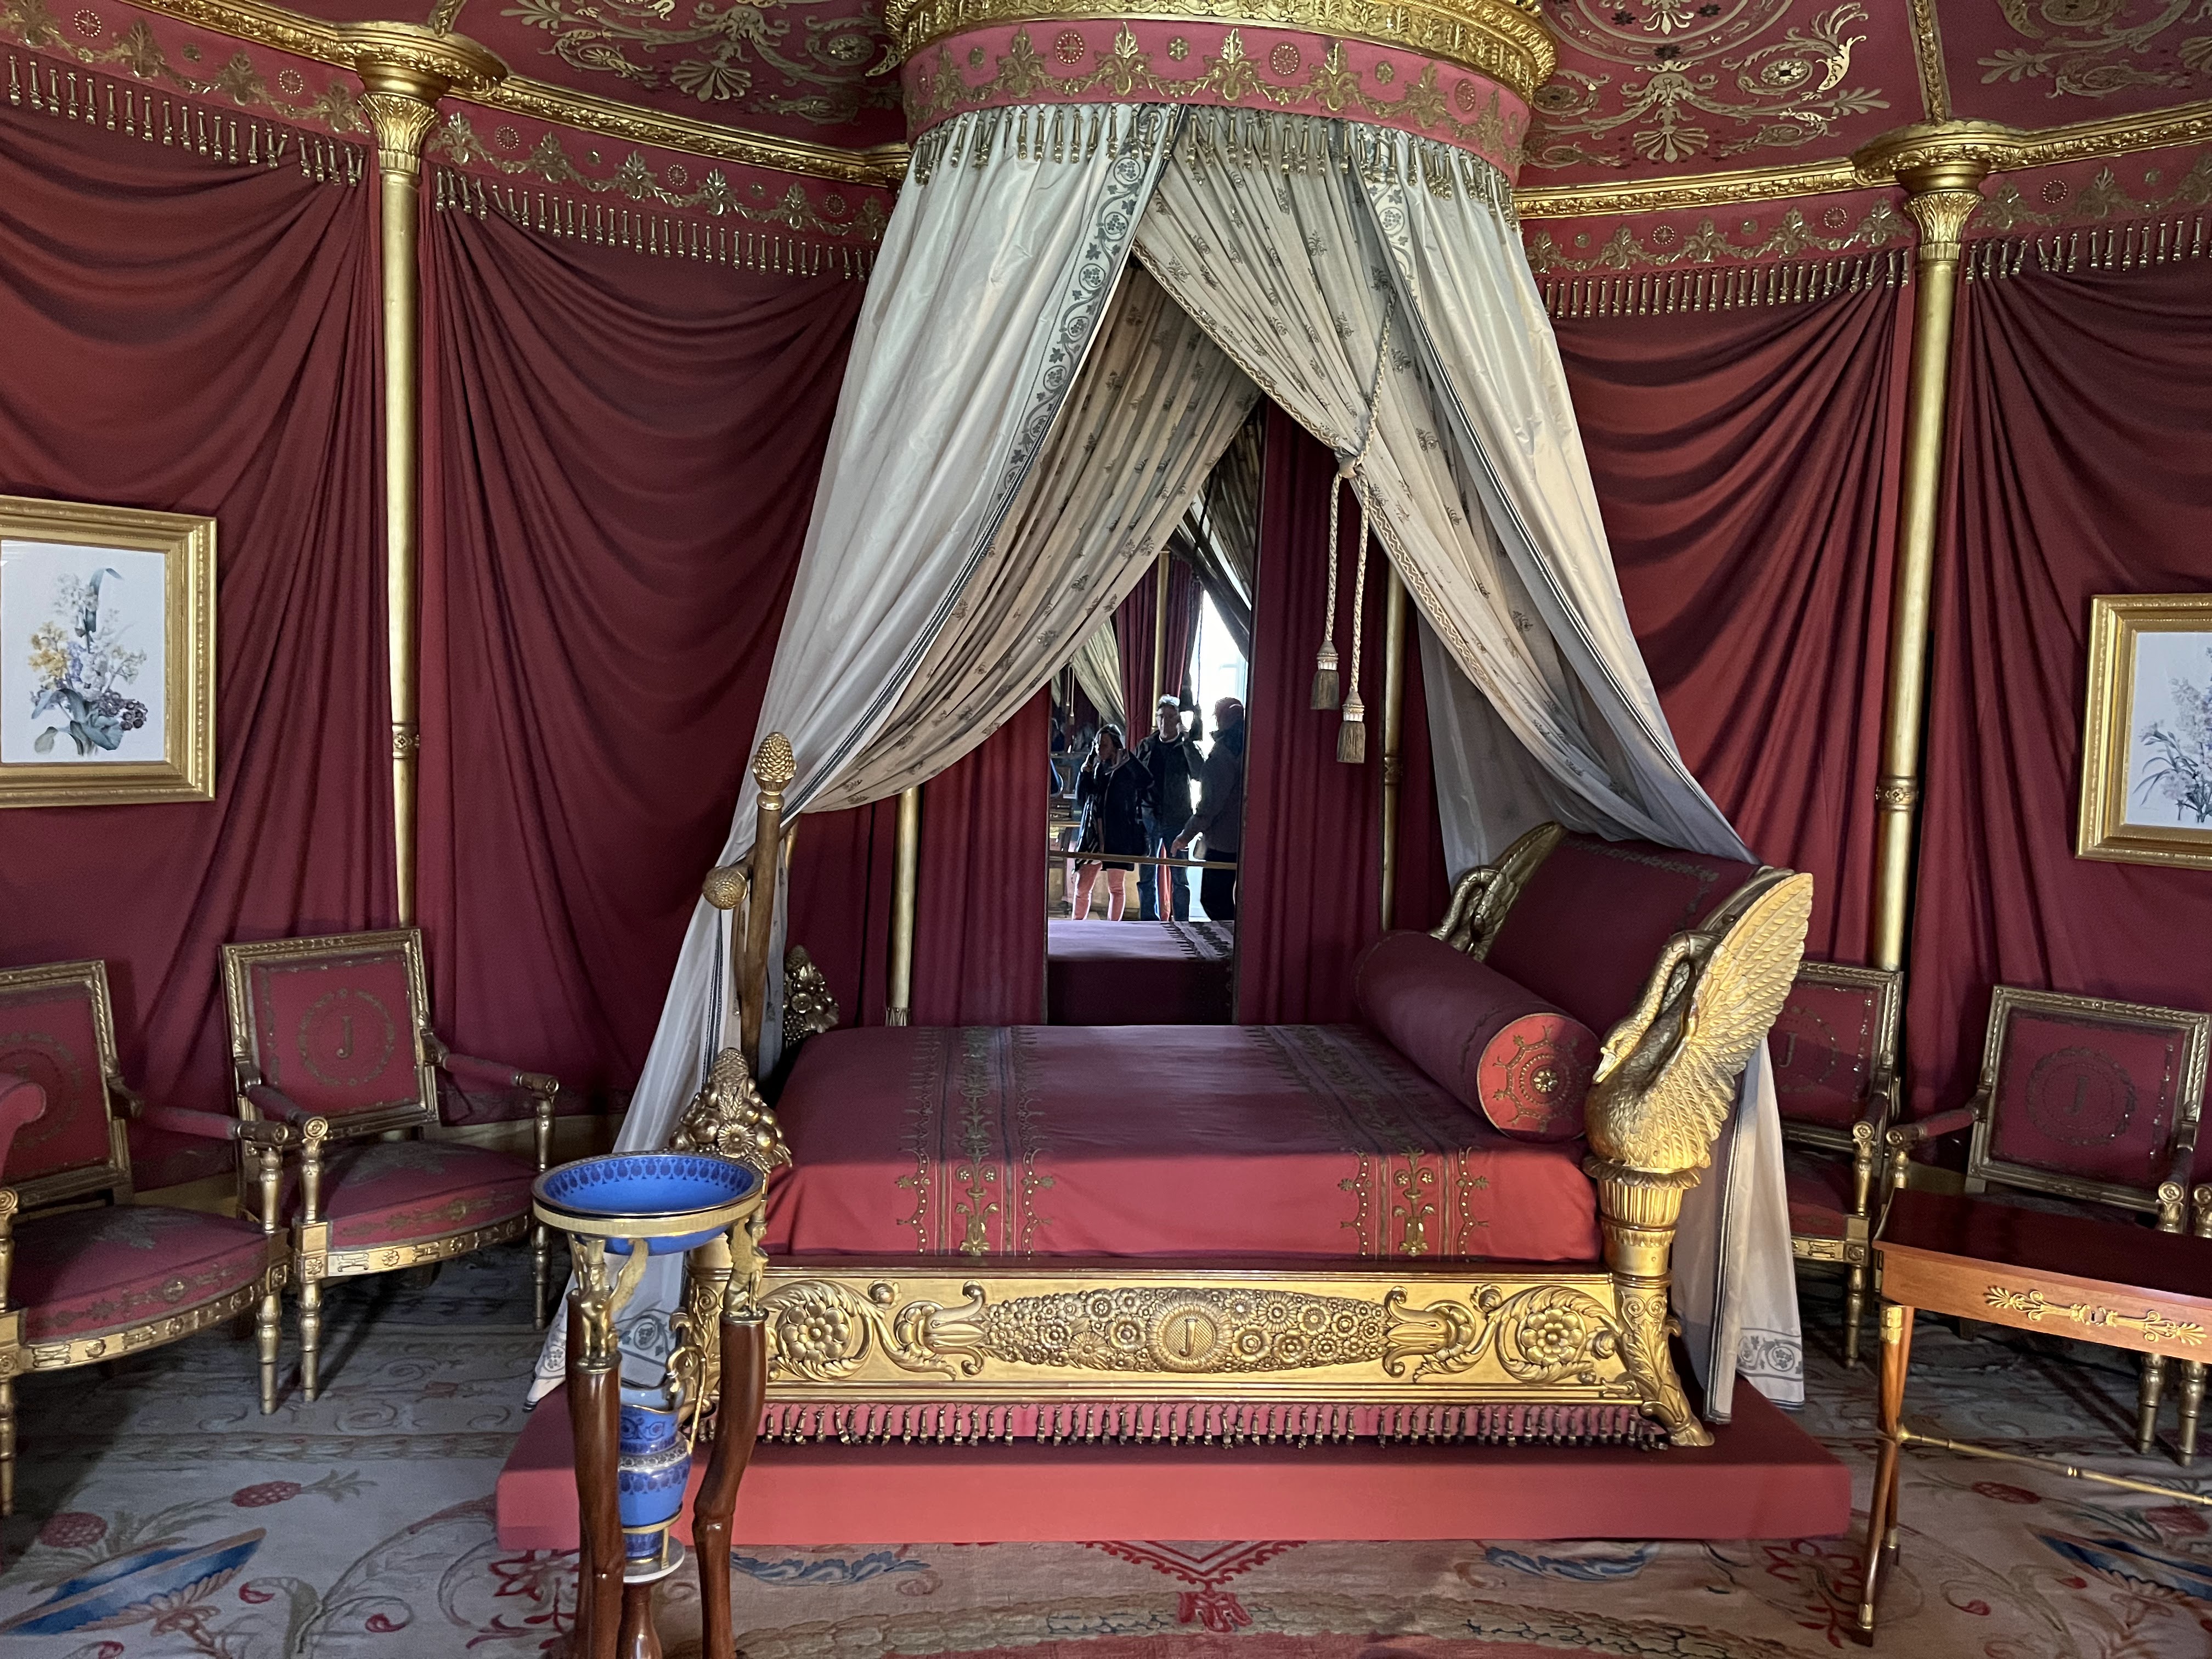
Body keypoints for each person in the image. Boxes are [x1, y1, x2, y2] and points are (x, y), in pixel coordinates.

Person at [1172, 697, 1244, 922]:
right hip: (1243, 838)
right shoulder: (1250, 745)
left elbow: (1210, 803)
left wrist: (1186, 835)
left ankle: (1231, 949)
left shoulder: (1226, 752)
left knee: (1213, 899)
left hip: (1224, 841)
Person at [1132, 695, 1201, 922]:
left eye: (1171, 717)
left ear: (1178, 719)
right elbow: (1134, 779)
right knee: (1147, 874)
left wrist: (1187, 741)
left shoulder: (1185, 747)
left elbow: (1199, 774)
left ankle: (1182, 923)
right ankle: (1148, 922)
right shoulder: (1146, 745)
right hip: (1149, 816)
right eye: (1161, 717)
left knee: (1180, 877)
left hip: (1178, 819)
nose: (1165, 722)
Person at [1072, 724, 1152, 921]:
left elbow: (1146, 780)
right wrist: (1085, 771)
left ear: (1115, 745)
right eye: (1098, 745)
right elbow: (1082, 797)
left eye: (1104, 744)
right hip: (1093, 836)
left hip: (1118, 835)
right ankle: (1076, 927)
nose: (1100, 749)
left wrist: (1129, 757)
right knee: (1083, 886)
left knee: (1116, 888)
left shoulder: (1126, 769)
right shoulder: (1097, 768)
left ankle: (1112, 928)